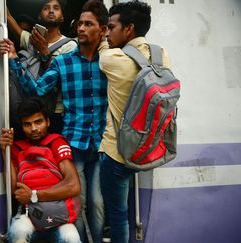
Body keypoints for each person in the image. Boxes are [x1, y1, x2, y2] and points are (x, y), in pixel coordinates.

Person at [0, 1, 108, 242]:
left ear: (102, 30)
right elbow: (37, 90)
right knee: (77, 205)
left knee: (98, 204)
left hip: (102, 144)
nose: (81, 28)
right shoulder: (63, 61)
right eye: (79, 23)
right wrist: (15, 60)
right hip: (74, 141)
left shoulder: (109, 62)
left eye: (88, 24)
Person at [98, 1, 171, 243]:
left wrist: (100, 38)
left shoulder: (111, 59)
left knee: (118, 216)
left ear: (128, 29)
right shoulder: (162, 55)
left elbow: (101, 50)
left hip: (116, 152)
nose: (107, 33)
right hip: (149, 147)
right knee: (126, 213)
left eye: (111, 27)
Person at [0, 97, 81, 243]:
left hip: (59, 216)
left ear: (48, 122)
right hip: (29, 215)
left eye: (38, 122)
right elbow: (13, 190)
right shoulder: (17, 148)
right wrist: (6, 151)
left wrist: (33, 195)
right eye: (27, 124)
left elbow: (74, 186)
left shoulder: (56, 142)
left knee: (72, 238)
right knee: (18, 231)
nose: (34, 129)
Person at [8, 0, 77, 134]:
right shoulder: (33, 41)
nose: (51, 11)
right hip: (30, 110)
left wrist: (45, 52)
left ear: (62, 17)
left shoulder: (70, 46)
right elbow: (9, 19)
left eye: (56, 8)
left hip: (55, 112)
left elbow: (61, 80)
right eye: (46, 8)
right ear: (39, 16)